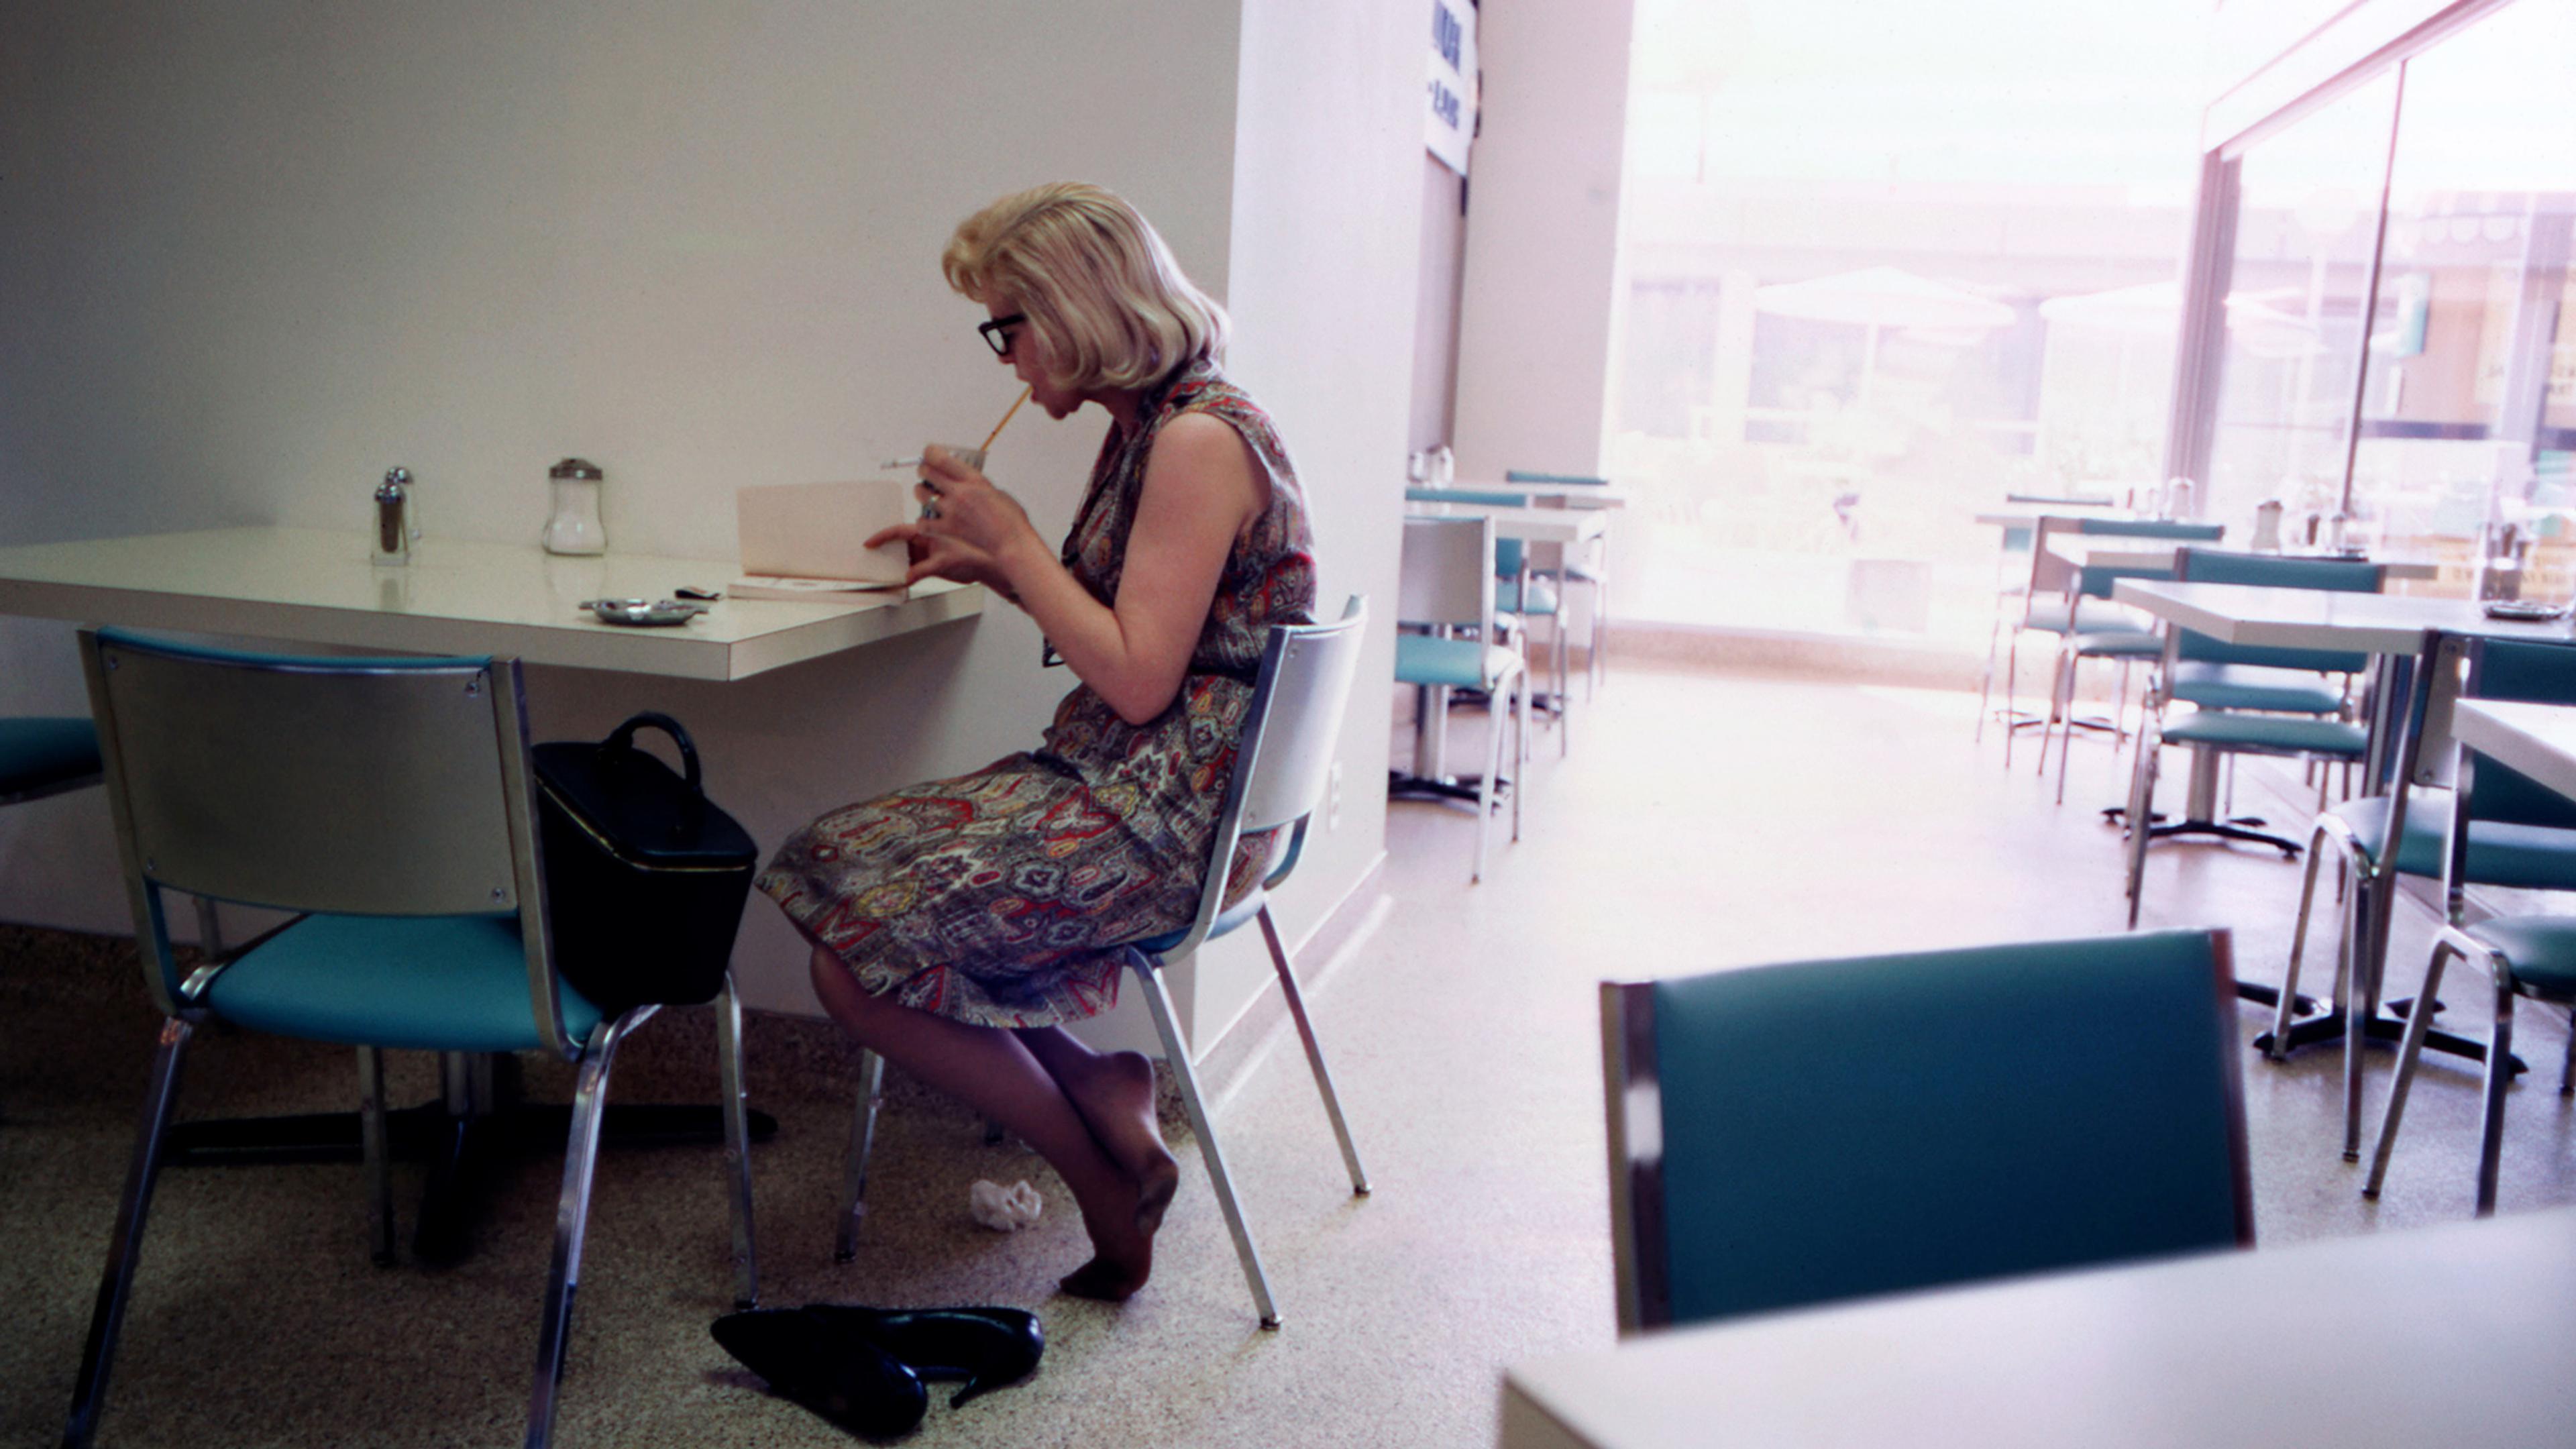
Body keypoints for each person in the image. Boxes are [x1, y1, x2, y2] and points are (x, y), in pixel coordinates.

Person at [757, 182, 1316, 1301]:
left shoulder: (1199, 439)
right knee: (827, 858)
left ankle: (1098, 1178)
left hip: (1169, 821)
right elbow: (1143, 638)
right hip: (1132, 783)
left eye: (1008, 324)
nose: (1005, 356)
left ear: (1072, 310)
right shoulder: (1150, 424)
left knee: (856, 951)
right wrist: (997, 569)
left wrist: (1016, 544)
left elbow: (1139, 680)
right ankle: (1102, 1083)